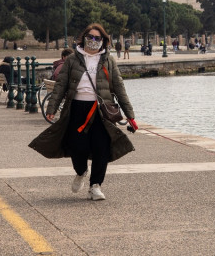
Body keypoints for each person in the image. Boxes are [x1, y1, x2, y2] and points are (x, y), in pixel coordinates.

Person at [32, 23, 137, 201]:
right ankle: (81, 171)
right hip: (77, 109)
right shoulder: (73, 60)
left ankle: (95, 185)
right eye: (91, 37)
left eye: (98, 38)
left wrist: (130, 115)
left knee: (101, 148)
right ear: (84, 38)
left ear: (103, 41)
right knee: (77, 147)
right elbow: (60, 86)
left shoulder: (108, 61)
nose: (94, 41)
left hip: (101, 111)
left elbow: (119, 88)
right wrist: (52, 108)